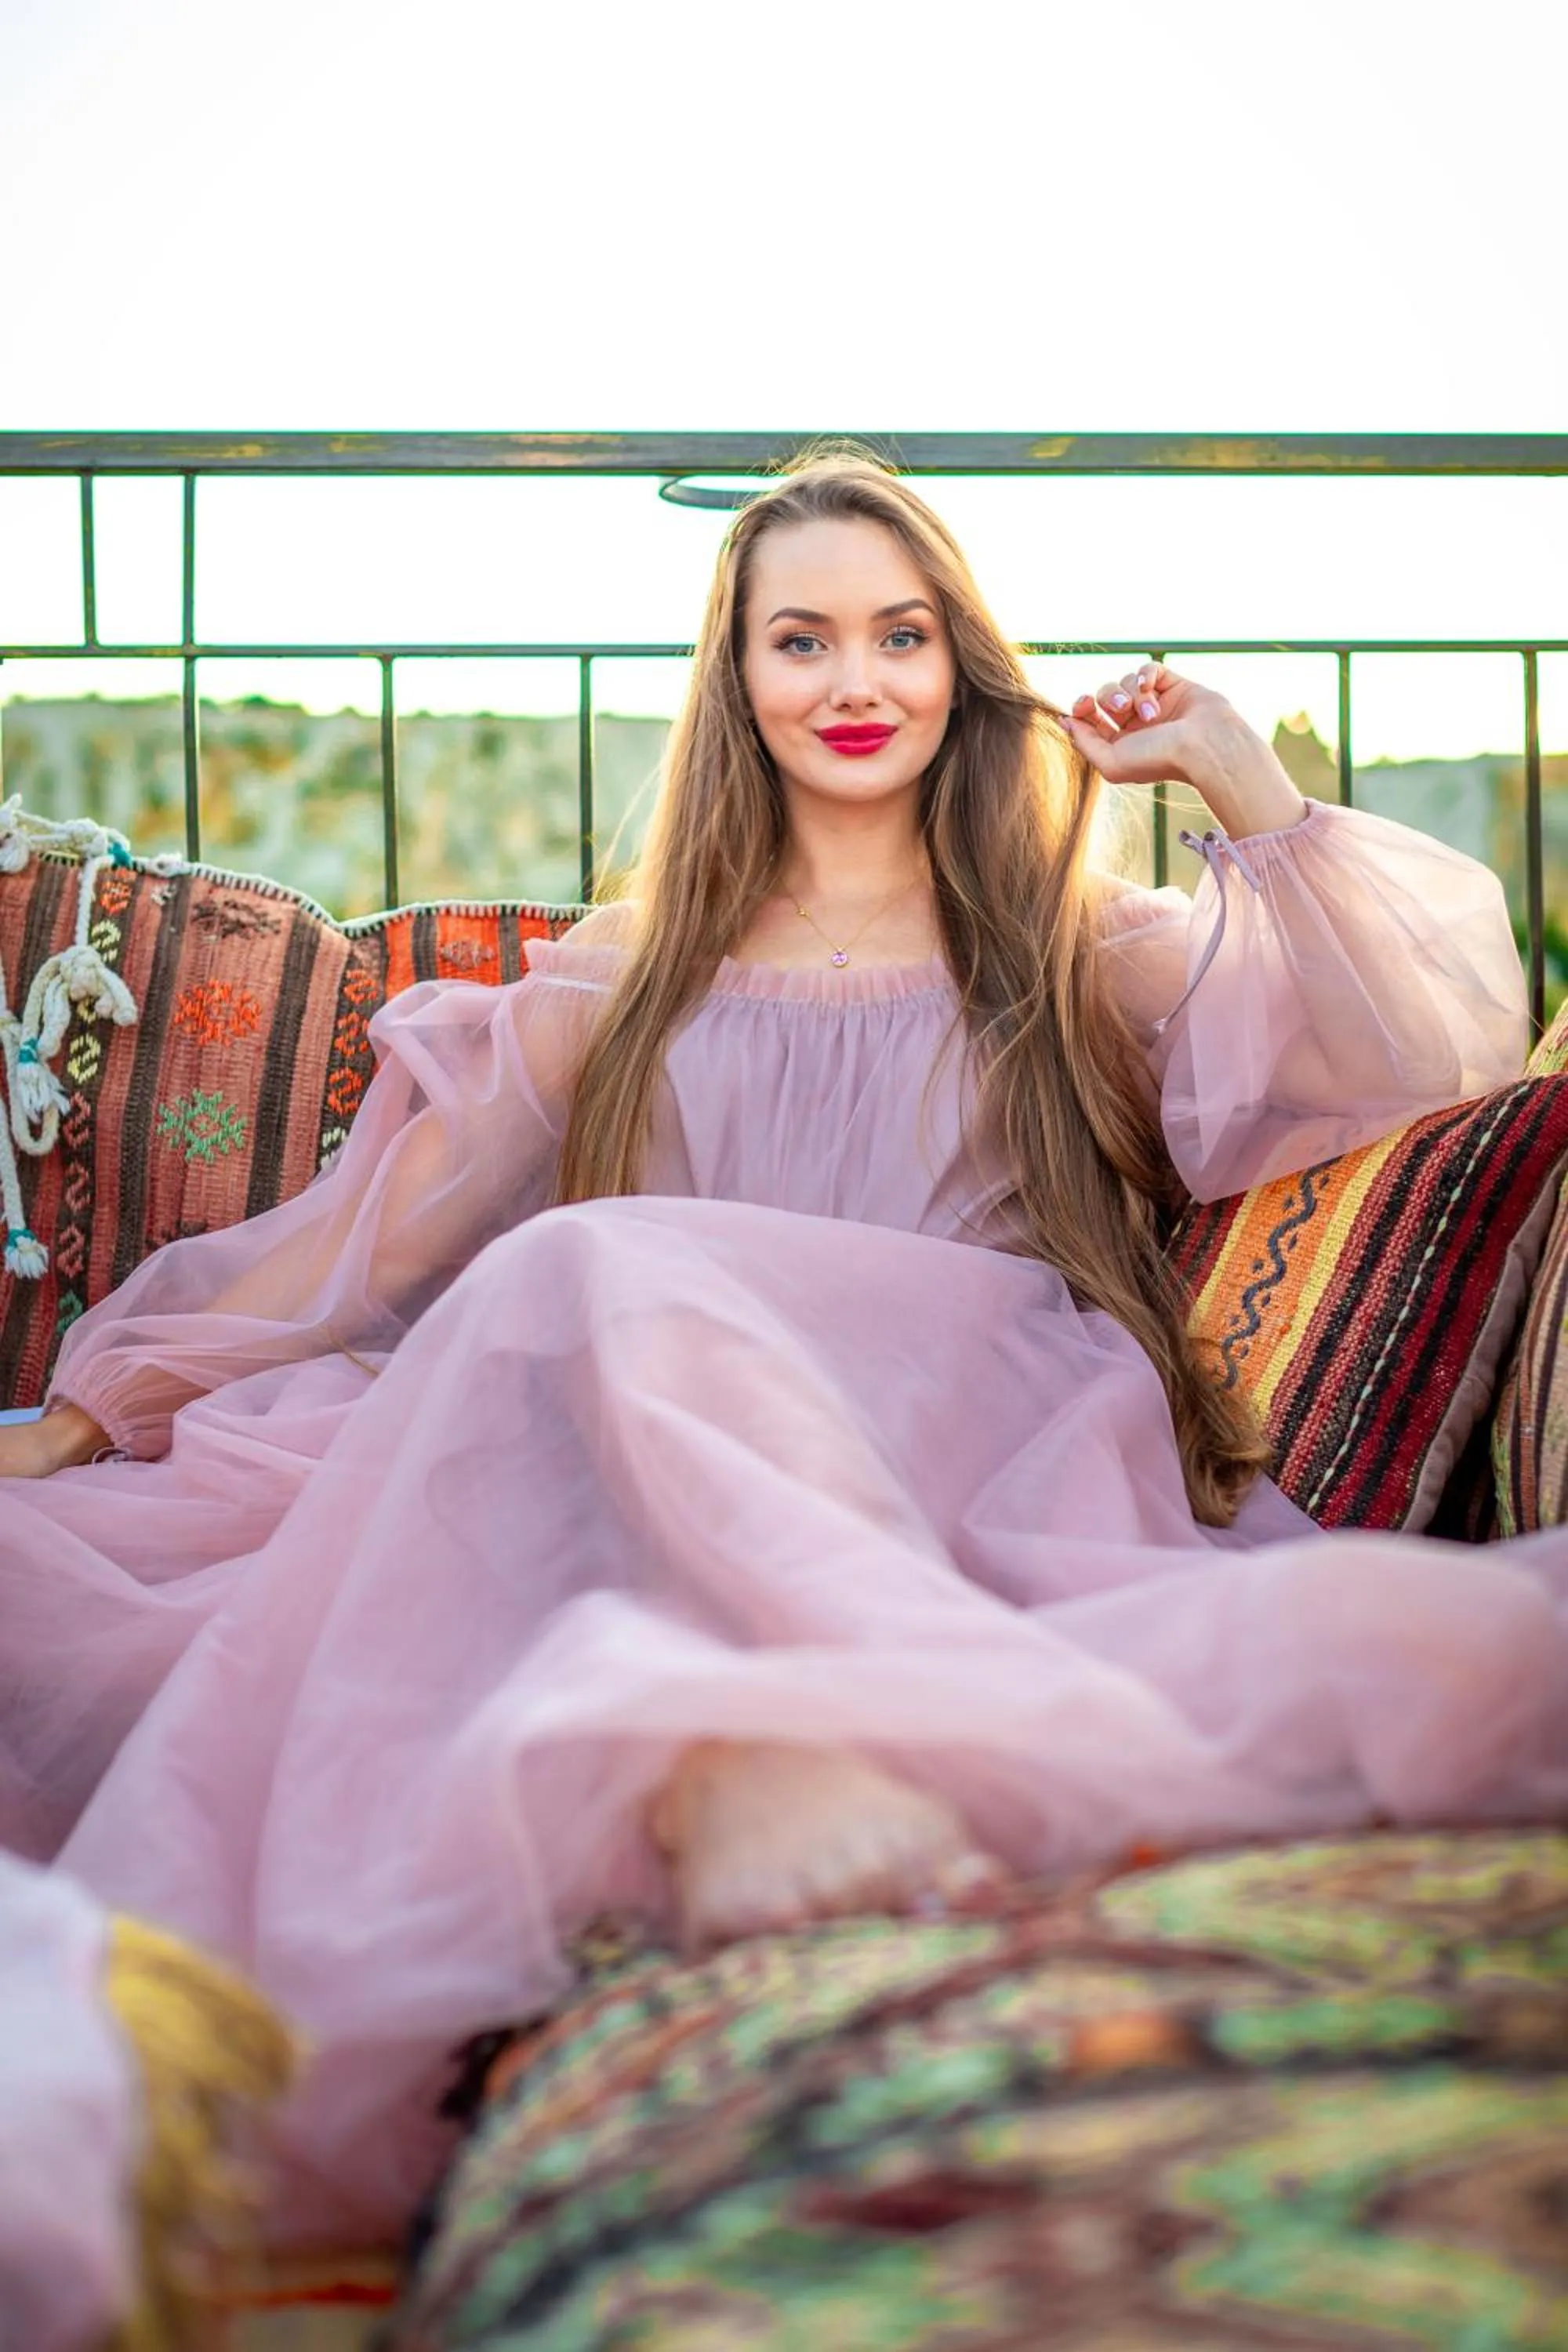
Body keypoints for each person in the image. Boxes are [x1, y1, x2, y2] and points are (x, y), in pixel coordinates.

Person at [2, 452, 1564, 2241]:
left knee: (598, 1273)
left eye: (900, 637)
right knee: (545, 1315)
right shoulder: (634, 968)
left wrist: (1231, 768)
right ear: (737, 679)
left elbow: (1407, 1051)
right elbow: (376, 1240)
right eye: (800, 640)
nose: (853, 685)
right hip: (641, 1419)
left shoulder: (1069, 950)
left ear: (961, 666)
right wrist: (90, 1410)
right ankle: (717, 1756)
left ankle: (763, 1738)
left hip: (949, 1428)